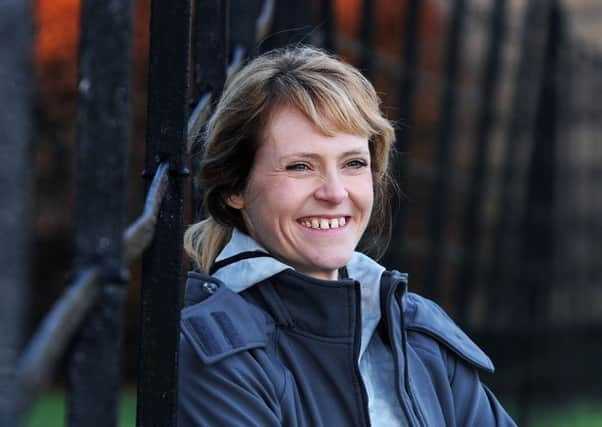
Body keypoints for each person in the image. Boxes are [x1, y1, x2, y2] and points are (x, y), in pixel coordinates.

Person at [178, 46, 516, 427]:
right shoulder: (211, 352)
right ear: (233, 189)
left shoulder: (417, 335)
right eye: (300, 166)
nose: (335, 193)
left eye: (353, 163)